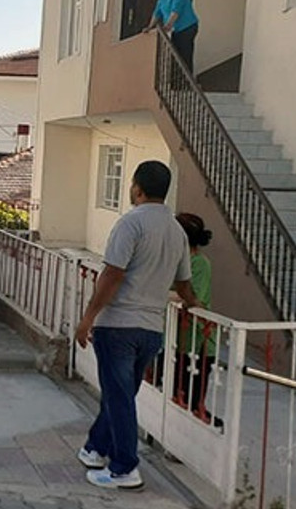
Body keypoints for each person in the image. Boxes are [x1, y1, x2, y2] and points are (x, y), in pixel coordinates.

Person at [75, 161, 199, 490]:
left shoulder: (130, 223)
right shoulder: (176, 231)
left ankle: (124, 469)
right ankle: (95, 448)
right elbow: (184, 284)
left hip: (118, 326)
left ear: (137, 188)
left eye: (131, 185)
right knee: (122, 395)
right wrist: (193, 304)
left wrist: (87, 317)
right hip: (151, 330)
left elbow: (113, 274)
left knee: (118, 398)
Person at [173, 213, 218, 424]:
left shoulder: (200, 263)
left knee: (194, 384)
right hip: (178, 334)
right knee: (176, 383)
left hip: (198, 335)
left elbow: (193, 298)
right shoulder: (176, 259)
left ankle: (198, 415)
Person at [146, 0, 199, 74]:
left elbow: (176, 11)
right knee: (174, 55)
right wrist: (150, 27)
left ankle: (187, 82)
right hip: (174, 29)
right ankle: (175, 82)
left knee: (184, 54)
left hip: (186, 27)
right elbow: (157, 12)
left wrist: (167, 26)